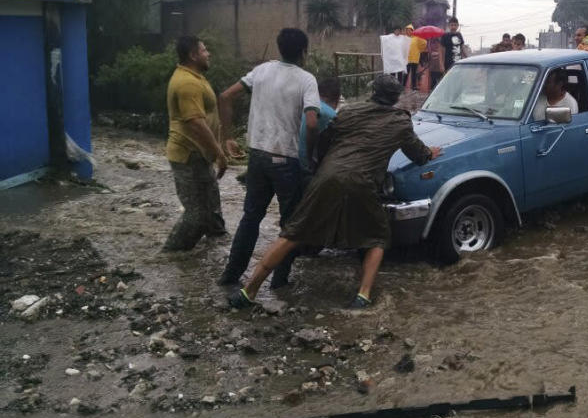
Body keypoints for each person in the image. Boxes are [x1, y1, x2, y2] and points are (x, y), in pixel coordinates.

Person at [227, 75, 443, 310]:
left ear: (372, 93)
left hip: (327, 178)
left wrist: (317, 167)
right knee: (378, 237)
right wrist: (431, 152)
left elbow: (324, 141)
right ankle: (363, 295)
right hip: (363, 182)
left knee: (292, 234)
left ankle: (248, 292)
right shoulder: (400, 122)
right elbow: (419, 155)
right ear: (395, 99)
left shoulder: (349, 112)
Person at [216, 28, 322, 288]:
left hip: (257, 156)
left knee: (251, 217)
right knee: (290, 225)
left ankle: (231, 276)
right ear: (303, 52)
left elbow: (225, 96)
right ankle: (279, 281)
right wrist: (308, 157)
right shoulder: (306, 79)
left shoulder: (261, 71)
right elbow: (311, 122)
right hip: (286, 159)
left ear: (280, 48)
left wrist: (227, 137)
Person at [163, 36, 228, 251]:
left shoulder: (195, 77)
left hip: (200, 155)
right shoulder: (187, 83)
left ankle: (219, 258)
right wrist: (219, 153)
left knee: (212, 213)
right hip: (188, 156)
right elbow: (196, 123)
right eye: (204, 50)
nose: (208, 53)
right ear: (193, 55)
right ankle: (169, 257)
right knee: (196, 217)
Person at [405, 24, 428, 92]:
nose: (408, 32)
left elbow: (424, 42)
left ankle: (414, 86)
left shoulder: (416, 37)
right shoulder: (404, 38)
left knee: (414, 73)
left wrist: (420, 49)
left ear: (412, 31)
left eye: (410, 30)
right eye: (407, 30)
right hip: (407, 59)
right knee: (406, 72)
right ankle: (403, 85)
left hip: (415, 58)